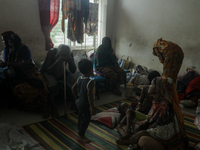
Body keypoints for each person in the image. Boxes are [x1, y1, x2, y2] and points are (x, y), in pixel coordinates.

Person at [116, 77, 189, 150]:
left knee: (143, 140)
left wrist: (143, 132)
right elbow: (151, 120)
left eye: (151, 84)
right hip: (154, 131)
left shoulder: (165, 106)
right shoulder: (157, 101)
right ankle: (131, 138)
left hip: (167, 145)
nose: (149, 86)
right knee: (135, 127)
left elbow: (165, 132)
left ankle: (131, 140)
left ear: (157, 88)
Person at [0, 31, 49, 118]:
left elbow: (25, 64)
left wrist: (9, 64)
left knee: (40, 83)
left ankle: (45, 106)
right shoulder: (7, 49)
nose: (3, 42)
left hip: (29, 71)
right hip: (16, 71)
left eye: (5, 40)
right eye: (3, 40)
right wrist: (10, 68)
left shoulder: (24, 48)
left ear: (12, 40)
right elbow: (6, 62)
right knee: (16, 88)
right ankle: (26, 106)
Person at [152, 38, 186, 143]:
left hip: (172, 55)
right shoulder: (165, 44)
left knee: (166, 82)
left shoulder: (156, 48)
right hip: (179, 53)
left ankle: (167, 99)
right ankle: (172, 96)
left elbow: (162, 59)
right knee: (172, 80)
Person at [40, 44, 77, 117]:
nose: (64, 56)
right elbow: (48, 70)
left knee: (74, 80)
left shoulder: (70, 53)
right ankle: (53, 108)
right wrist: (57, 61)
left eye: (65, 54)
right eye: (62, 54)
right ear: (58, 52)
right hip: (49, 70)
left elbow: (73, 70)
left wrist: (71, 61)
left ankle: (74, 103)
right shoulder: (51, 53)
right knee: (52, 83)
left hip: (61, 70)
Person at [72, 59, 96, 143]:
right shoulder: (91, 81)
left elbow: (73, 88)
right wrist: (92, 108)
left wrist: (76, 98)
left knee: (80, 117)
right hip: (85, 105)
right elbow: (89, 95)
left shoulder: (79, 79)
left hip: (79, 102)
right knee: (86, 120)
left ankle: (79, 129)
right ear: (90, 70)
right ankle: (81, 135)